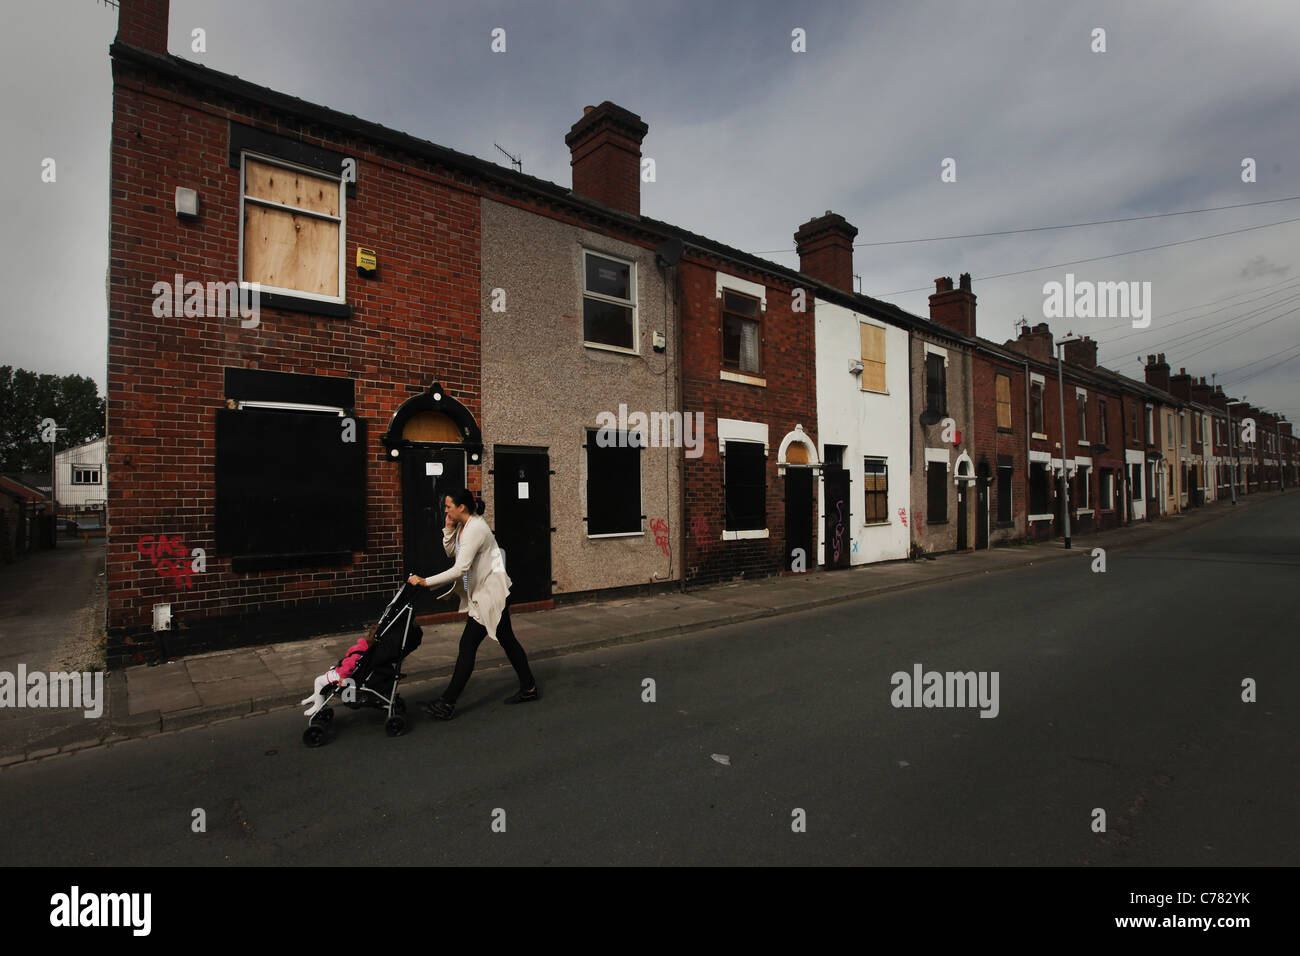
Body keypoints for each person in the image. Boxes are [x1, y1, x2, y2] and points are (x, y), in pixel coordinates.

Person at [407, 488, 539, 719]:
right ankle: (529, 688)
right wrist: (448, 527)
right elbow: (452, 553)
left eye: (449, 506)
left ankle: (447, 703)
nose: (445, 509)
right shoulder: (464, 526)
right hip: (486, 593)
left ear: (462, 508)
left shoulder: (476, 529)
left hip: (490, 596)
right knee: (508, 641)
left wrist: (425, 582)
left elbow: (460, 568)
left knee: (467, 646)